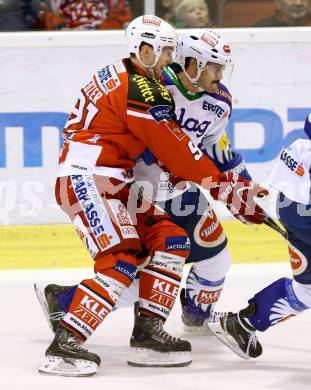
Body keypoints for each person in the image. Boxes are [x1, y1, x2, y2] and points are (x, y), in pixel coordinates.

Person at [36, 15, 268, 377]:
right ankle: (66, 342)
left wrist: (232, 184)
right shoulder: (142, 89)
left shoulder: (131, 76)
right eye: (166, 52)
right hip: (90, 179)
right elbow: (176, 150)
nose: (170, 61)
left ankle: (148, 335)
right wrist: (225, 189)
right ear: (144, 50)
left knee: (172, 239)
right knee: (122, 261)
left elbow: (191, 150)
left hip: (114, 181)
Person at [208, 113, 311, 360]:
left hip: (296, 206)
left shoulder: (301, 149)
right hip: (302, 211)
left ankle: (242, 324)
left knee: (307, 289)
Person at [37, 0, 132, 30]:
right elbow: (44, 15)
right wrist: (60, 28)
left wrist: (99, 30)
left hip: (103, 42)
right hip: (65, 42)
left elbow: (121, 19)